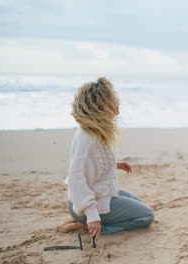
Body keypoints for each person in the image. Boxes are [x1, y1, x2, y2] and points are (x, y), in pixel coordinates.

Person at [60, 77, 154, 242]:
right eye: (112, 97)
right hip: (89, 203)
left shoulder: (95, 130)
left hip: (101, 194)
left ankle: (84, 220)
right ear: (101, 104)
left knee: (141, 205)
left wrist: (115, 164)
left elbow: (94, 162)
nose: (117, 100)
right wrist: (91, 216)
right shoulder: (87, 138)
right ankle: (91, 226)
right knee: (146, 216)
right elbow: (76, 179)